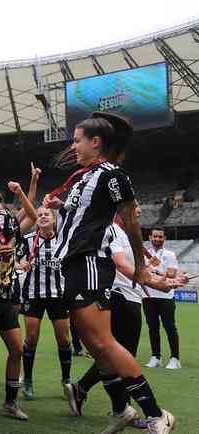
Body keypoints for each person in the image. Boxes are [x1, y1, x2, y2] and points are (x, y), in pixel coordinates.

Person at [43, 113, 179, 433]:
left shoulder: (112, 175)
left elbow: (130, 219)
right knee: (97, 348)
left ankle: (157, 414)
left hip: (90, 263)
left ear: (96, 142)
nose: (73, 146)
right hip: (73, 265)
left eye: (77, 140)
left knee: (105, 344)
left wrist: (142, 267)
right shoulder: (85, 177)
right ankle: (121, 410)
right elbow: (83, 216)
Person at [67, 207, 184, 433]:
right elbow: (122, 265)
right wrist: (157, 283)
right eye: (134, 204)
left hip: (128, 296)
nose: (139, 210)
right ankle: (145, 413)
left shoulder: (124, 234)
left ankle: (111, 405)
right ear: (120, 209)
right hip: (120, 296)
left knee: (111, 354)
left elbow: (138, 270)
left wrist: (166, 279)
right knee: (117, 354)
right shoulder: (112, 231)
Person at [18, 206, 73, 400]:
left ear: (54, 219)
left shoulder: (64, 240)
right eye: (39, 214)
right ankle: (28, 380)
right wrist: (19, 264)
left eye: (46, 214)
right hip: (33, 295)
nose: (42, 217)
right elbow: (12, 261)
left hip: (59, 296)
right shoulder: (27, 240)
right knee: (31, 338)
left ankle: (66, 380)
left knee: (64, 339)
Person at [142, 227, 181, 369]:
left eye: (160, 237)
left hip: (166, 296)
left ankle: (175, 358)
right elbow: (142, 273)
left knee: (169, 327)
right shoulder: (145, 254)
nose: (157, 239)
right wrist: (150, 271)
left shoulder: (170, 254)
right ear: (150, 237)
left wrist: (154, 271)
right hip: (148, 295)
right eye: (155, 236)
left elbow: (171, 274)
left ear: (164, 238)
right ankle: (156, 357)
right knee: (153, 327)